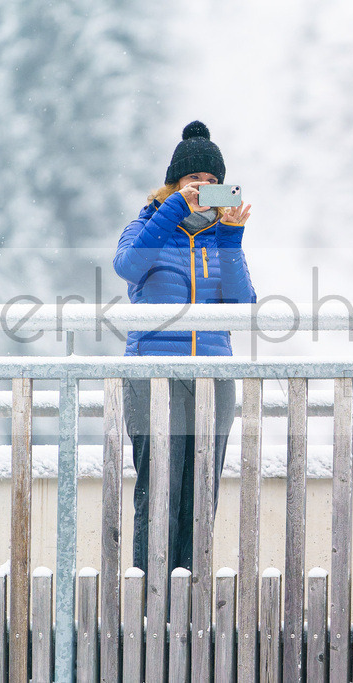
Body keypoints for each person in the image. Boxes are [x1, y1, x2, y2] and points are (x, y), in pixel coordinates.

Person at [113, 120, 256, 573]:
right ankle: (149, 605)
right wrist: (172, 211)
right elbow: (128, 266)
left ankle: (192, 605)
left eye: (214, 183)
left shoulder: (221, 239)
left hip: (213, 378)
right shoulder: (146, 225)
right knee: (158, 493)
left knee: (201, 496)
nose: (205, 188)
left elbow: (241, 306)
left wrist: (232, 238)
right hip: (154, 375)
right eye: (195, 180)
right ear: (175, 182)